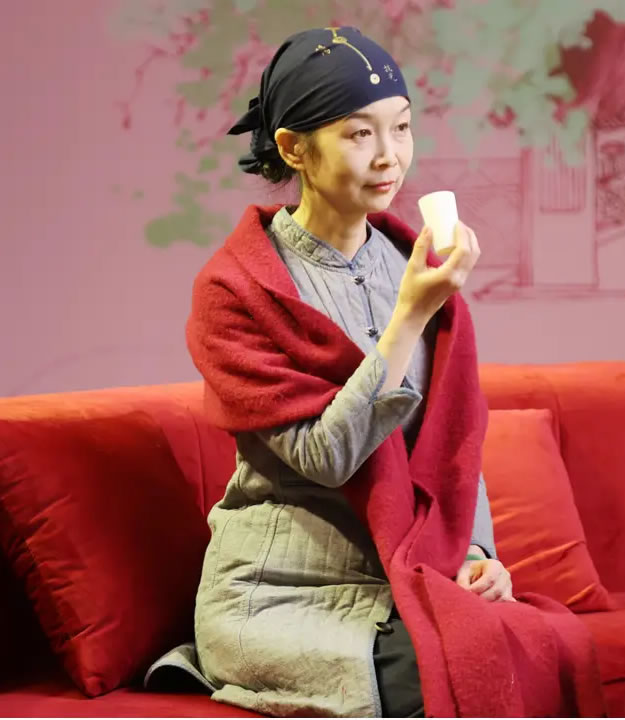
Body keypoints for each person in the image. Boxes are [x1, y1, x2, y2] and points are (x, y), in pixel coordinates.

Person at [152, 26, 512, 718]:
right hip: (282, 595)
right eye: (359, 134)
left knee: (533, 645)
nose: (389, 156)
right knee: (449, 675)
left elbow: (452, 439)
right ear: (294, 149)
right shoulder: (236, 290)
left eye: (401, 128)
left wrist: (472, 553)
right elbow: (326, 456)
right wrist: (409, 316)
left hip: (408, 580)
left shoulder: (411, 260)